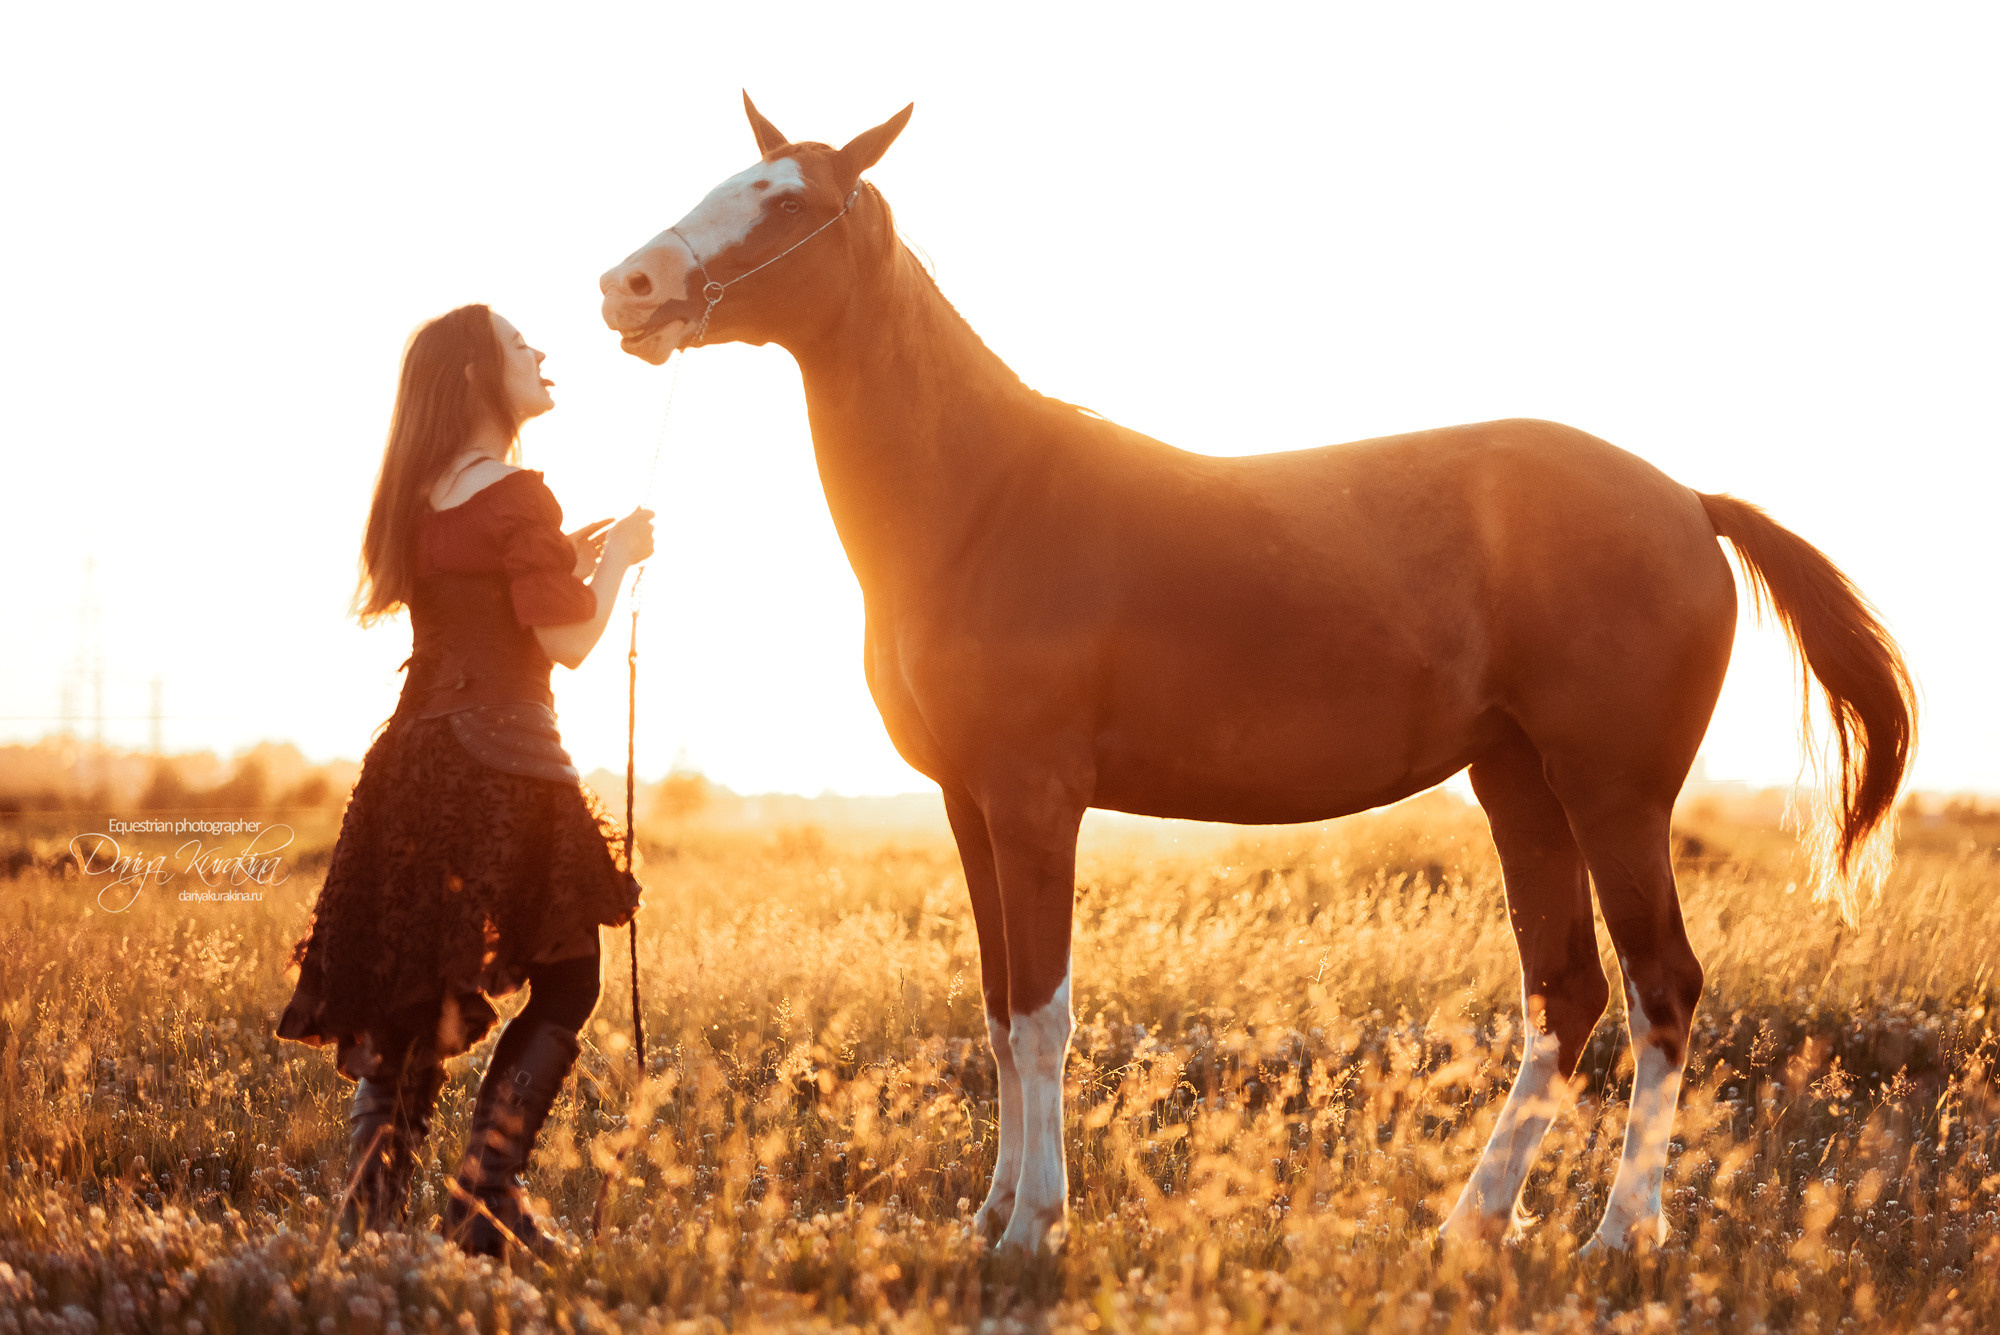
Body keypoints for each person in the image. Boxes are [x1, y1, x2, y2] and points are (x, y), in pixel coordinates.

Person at [275, 302, 655, 1259]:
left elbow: (486, 592)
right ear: (483, 377)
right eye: (521, 345)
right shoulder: (520, 492)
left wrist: (569, 552)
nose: (539, 352)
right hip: (504, 761)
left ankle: (366, 1225)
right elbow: (566, 641)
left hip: (411, 766)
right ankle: (484, 1188)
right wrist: (615, 561)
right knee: (569, 982)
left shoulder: (419, 495)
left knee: (412, 996)